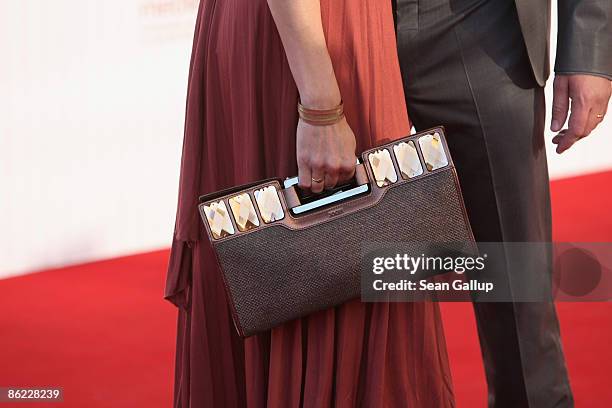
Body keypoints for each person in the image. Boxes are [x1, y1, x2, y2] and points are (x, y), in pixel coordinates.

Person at [165, 0, 455, 406]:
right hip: (310, 43)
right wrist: (321, 108)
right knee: (331, 255)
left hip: (309, 37)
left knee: (347, 256)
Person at [393, 0, 611, 406]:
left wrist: (588, 48)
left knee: (517, 296)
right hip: (335, 32)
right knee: (337, 278)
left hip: (480, 27)